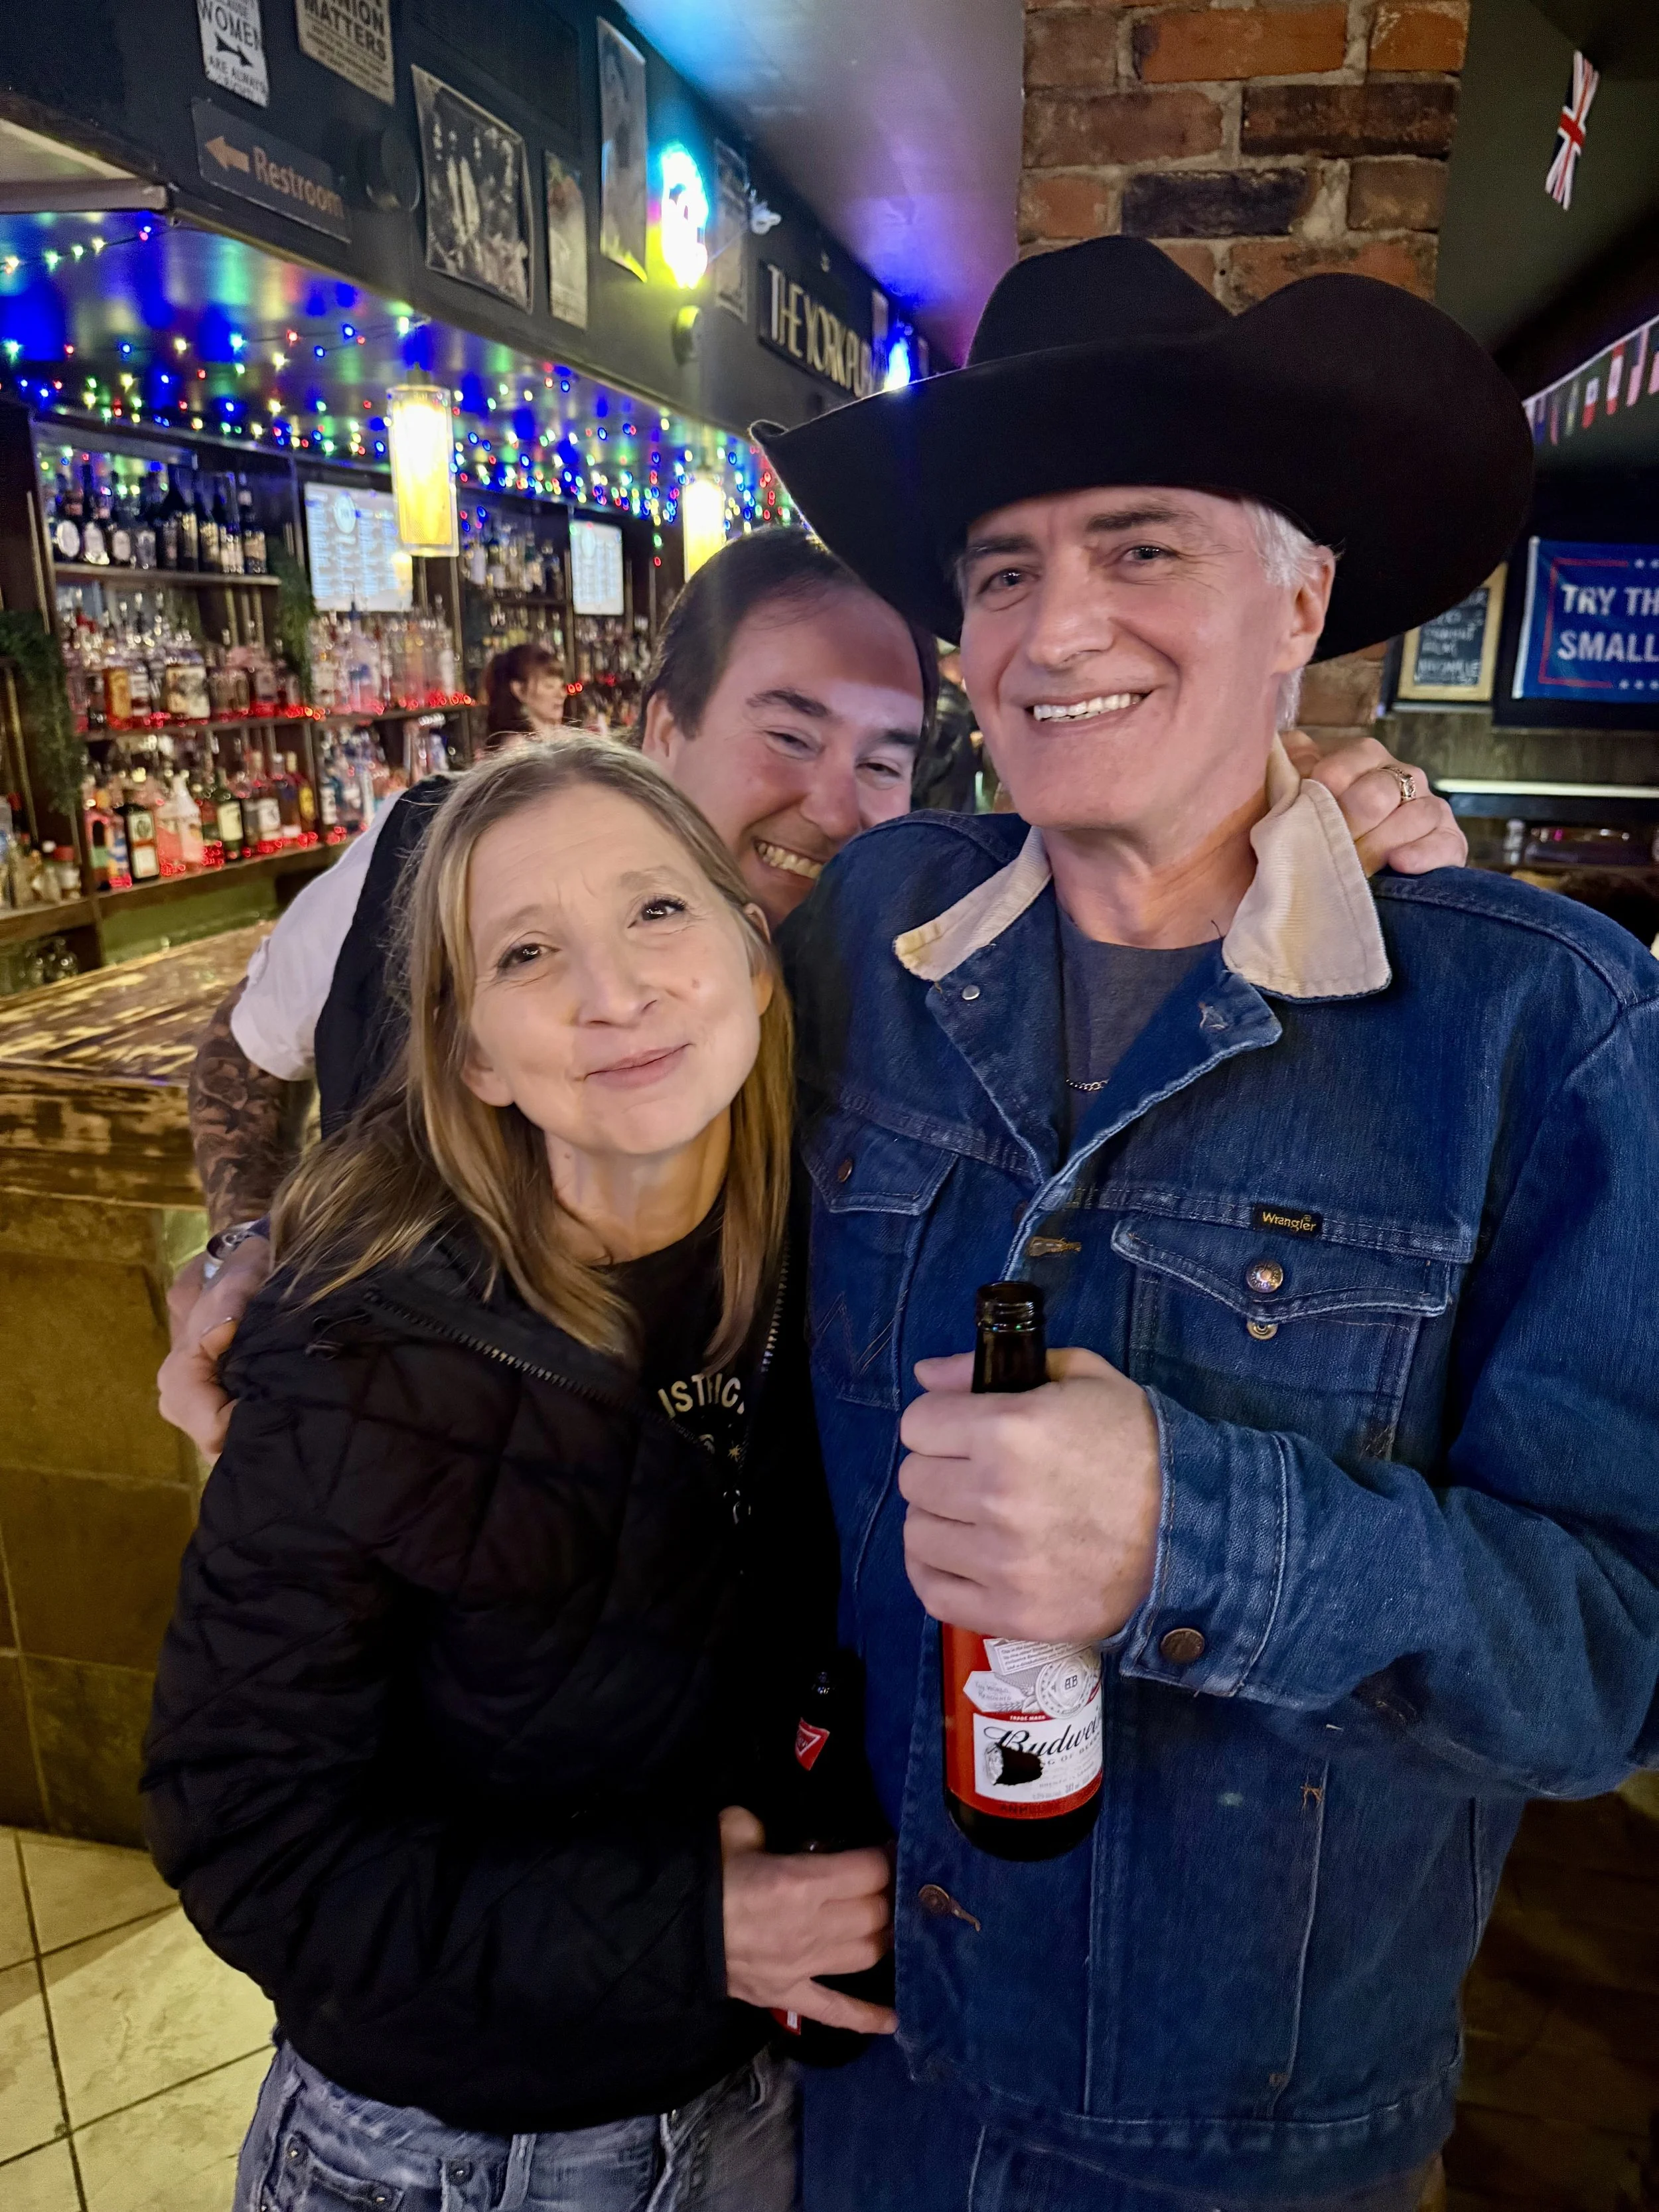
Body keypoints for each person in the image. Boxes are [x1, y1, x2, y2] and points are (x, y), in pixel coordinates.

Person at [757, 236, 1659, 2210]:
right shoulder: (865, 931)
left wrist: (1194, 1531)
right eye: (1000, 567)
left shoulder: (1535, 1027)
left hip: (1241, 2150)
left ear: (1300, 594)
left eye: (1140, 544)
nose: (1052, 620)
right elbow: (602, 1173)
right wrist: (294, 1274)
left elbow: (1605, 1661)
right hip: (861, 2069)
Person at [160, 527, 1459, 1460]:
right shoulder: (442, 864)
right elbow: (236, 1056)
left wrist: (1296, 805)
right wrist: (246, 1242)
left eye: (884, 760)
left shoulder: (916, 956)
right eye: (787, 733)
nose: (834, 803)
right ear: (660, 729)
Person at [143, 741, 896, 2212]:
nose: (610, 992)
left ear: (757, 960)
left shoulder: (841, 1265)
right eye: (529, 950)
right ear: (473, 1047)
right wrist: (689, 1925)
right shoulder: (363, 1352)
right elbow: (243, 1833)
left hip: (760, 2119)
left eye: (657, 914)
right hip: (438, 2158)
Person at [484, 640, 569, 739]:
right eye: (549, 686)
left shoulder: (562, 738)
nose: (562, 694)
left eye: (561, 686)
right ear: (519, 691)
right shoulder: (518, 749)